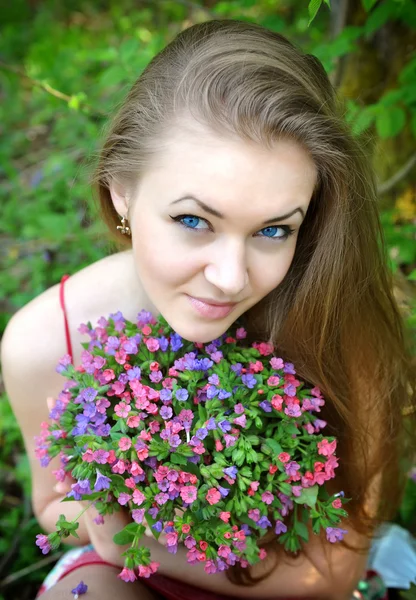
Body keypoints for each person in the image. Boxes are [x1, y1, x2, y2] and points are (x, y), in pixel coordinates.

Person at [2, 18, 415, 600]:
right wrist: (117, 531)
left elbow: (336, 570)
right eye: (194, 220)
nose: (229, 278)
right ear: (122, 187)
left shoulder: (330, 323)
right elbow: (52, 505)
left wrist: (138, 543)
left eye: (274, 229)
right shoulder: (47, 339)